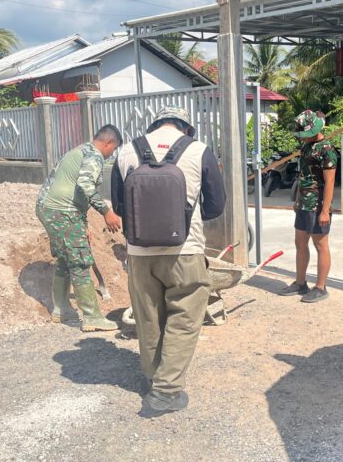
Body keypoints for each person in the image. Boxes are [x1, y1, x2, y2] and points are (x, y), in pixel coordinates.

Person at [111, 105, 225, 417]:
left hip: (139, 254)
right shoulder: (200, 151)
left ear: (155, 125)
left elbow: (120, 206)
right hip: (184, 251)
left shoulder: (125, 152)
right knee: (184, 319)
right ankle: (165, 393)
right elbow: (216, 206)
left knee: (149, 319)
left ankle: (153, 379)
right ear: (185, 128)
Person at [36, 125, 123, 332]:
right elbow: (85, 185)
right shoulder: (94, 156)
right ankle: (92, 316)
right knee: (80, 261)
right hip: (62, 212)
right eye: (114, 148)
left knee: (67, 259)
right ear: (108, 143)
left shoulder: (79, 150)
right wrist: (106, 212)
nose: (113, 154)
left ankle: (61, 309)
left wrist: (81, 224)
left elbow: (70, 188)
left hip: (49, 209)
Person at [278, 110, 338, 303]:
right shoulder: (306, 147)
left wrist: (325, 210)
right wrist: (296, 199)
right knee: (300, 243)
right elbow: (302, 175)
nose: (302, 138)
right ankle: (300, 282)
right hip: (303, 202)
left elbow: (329, 182)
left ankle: (320, 287)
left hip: (318, 204)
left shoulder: (326, 149)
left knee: (320, 244)